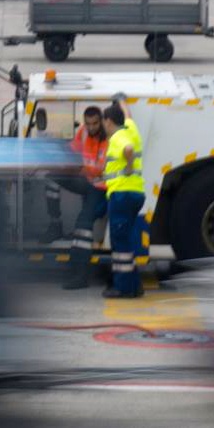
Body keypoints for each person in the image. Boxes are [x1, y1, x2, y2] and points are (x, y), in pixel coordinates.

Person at [58, 107, 110, 288]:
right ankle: (54, 224)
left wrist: (77, 169)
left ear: (102, 121)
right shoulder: (83, 131)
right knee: (52, 175)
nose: (91, 127)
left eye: (95, 123)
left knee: (83, 227)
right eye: (88, 124)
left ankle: (80, 275)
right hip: (88, 182)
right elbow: (73, 148)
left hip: (100, 188)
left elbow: (99, 169)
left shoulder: (107, 140)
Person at [99, 102, 145, 299]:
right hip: (135, 194)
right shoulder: (131, 128)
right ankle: (135, 285)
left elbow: (127, 150)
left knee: (119, 243)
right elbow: (129, 116)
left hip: (122, 194)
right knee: (125, 240)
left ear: (109, 121)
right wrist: (123, 103)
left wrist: (128, 165)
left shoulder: (118, 136)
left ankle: (123, 288)